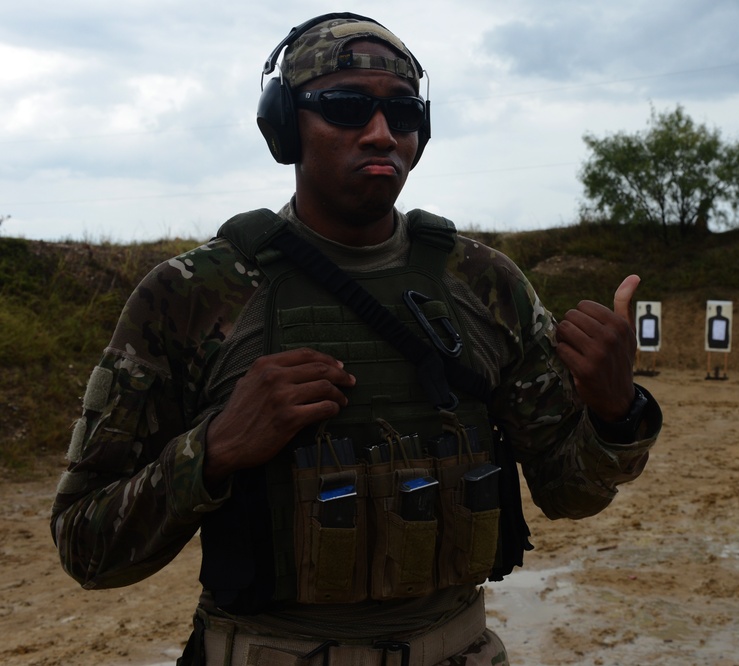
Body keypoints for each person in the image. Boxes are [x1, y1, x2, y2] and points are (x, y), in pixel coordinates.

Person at [50, 13, 661, 666]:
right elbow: (86, 546)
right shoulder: (193, 294)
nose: (381, 134)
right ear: (284, 126)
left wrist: (616, 411)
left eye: (402, 114)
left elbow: (570, 491)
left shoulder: (485, 284)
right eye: (346, 107)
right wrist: (216, 450)